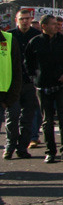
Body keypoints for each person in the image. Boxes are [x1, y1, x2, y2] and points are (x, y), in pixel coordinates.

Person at [24, 15, 63, 163]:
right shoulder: (35, 42)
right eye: (53, 24)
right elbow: (27, 63)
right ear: (44, 26)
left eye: (57, 24)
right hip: (43, 86)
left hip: (61, 85)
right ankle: (50, 151)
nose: (57, 26)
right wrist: (34, 78)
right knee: (47, 121)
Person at [8, 9, 41, 156]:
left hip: (30, 82)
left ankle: (23, 147)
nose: (25, 21)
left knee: (28, 118)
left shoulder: (36, 35)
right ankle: (10, 146)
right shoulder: (9, 36)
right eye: (22, 19)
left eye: (27, 18)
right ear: (16, 20)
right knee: (12, 117)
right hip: (13, 83)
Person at [0, 21, 25, 160]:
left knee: (14, 120)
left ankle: (12, 146)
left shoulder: (9, 39)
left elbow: (16, 69)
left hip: (7, 93)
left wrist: (11, 96)